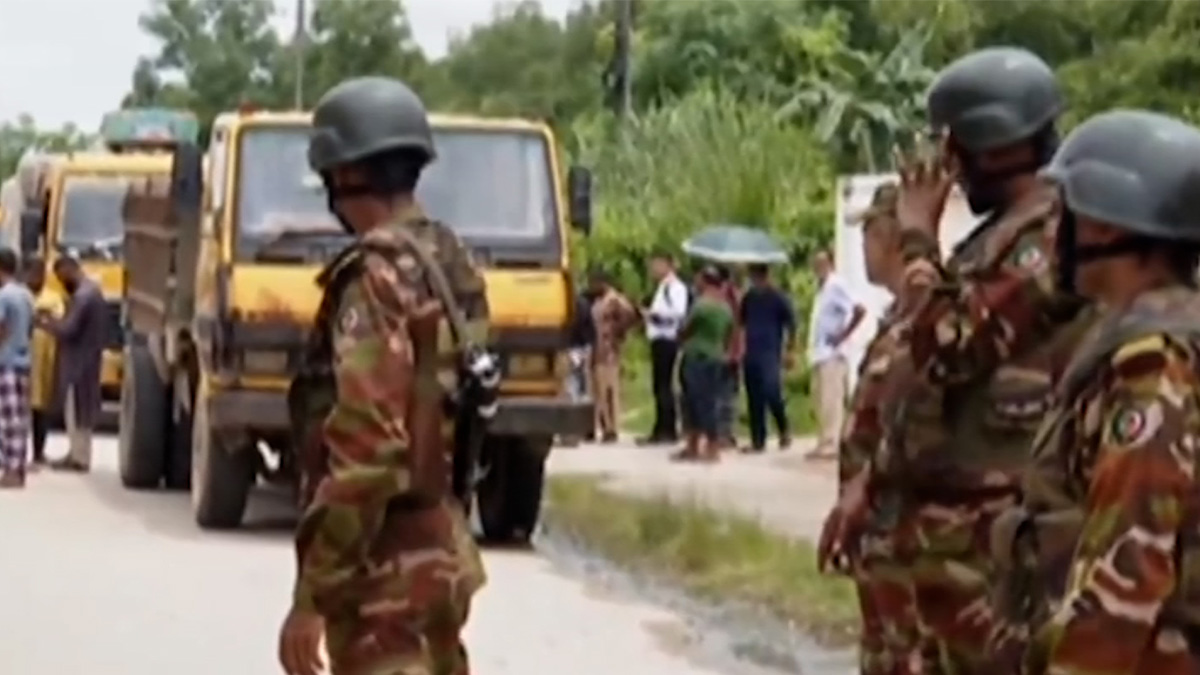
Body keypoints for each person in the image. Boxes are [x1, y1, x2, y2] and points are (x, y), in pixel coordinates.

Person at [819, 47, 1095, 675]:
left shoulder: (1049, 238)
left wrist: (919, 235)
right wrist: (874, 478)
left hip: (990, 520)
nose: (948, 167)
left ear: (995, 146)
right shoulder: (1002, 235)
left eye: (957, 147)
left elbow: (947, 346)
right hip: (945, 519)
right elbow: (919, 378)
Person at [279, 76, 487, 675]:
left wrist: (314, 595)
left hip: (384, 573)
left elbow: (369, 453)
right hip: (439, 551)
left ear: (343, 175)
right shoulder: (450, 260)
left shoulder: (375, 277)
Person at [988, 111, 1200, 675]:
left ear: (1103, 225)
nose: (1053, 232)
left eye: (1064, 212)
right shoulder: (1136, 339)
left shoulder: (1153, 365)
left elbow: (1129, 567)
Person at [829, 183, 925, 675]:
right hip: (879, 531)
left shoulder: (923, 311)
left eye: (868, 233)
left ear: (890, 236)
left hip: (906, 532)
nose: (863, 246)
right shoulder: (896, 312)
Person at [36, 255, 105, 474]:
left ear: (69, 269)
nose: (60, 280)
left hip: (79, 362)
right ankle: (76, 454)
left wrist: (46, 324)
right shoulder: (91, 292)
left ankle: (79, 458)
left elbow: (69, 330)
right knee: (79, 410)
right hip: (87, 359)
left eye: (60, 274)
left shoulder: (84, 296)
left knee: (77, 410)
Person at [806, 249, 865, 460]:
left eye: (822, 263)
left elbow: (859, 309)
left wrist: (843, 335)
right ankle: (824, 441)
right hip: (820, 353)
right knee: (820, 399)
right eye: (815, 264)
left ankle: (832, 443)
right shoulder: (822, 289)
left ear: (830, 263)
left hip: (833, 353)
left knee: (831, 399)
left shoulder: (837, 285)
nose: (817, 268)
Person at [673, 265, 733, 463]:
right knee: (708, 401)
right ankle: (709, 445)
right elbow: (729, 334)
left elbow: (686, 329)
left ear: (706, 281)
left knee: (694, 402)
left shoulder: (701, 305)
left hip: (696, 357)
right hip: (716, 357)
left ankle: (697, 445)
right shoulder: (725, 307)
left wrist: (680, 334)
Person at [739, 263, 795, 453]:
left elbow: (791, 322)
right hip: (751, 350)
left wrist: (790, 349)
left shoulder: (778, 297)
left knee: (772, 391)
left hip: (770, 350)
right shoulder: (749, 297)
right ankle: (758, 439)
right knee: (753, 395)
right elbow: (741, 322)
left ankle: (783, 428)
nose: (754, 280)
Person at [639, 252, 688, 445]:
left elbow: (678, 313)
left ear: (668, 265)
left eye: (657, 265)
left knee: (664, 385)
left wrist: (653, 315)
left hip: (667, 338)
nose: (653, 269)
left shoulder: (675, 288)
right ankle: (661, 427)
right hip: (658, 338)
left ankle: (667, 429)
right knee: (659, 385)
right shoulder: (662, 287)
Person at [588, 270, 637, 443]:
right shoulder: (599, 300)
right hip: (597, 348)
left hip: (608, 350)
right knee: (598, 390)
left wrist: (616, 333)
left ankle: (611, 427)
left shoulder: (615, 300)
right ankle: (601, 424)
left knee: (608, 390)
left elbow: (630, 316)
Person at [0, 249, 33, 488]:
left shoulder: (4, 296)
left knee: (8, 420)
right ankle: (19, 467)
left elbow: (1, 328)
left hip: (7, 362)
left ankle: (10, 470)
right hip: (24, 361)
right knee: (20, 419)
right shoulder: (26, 295)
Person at [25, 257, 59, 468]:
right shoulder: (19, 295)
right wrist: (40, 318)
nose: (36, 277)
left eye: (40, 273)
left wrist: (41, 318)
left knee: (41, 411)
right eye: (33, 273)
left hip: (45, 360)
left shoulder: (53, 297)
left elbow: (57, 321)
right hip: (23, 358)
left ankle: (38, 453)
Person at [714, 265, 744, 450]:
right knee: (729, 393)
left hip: (726, 350)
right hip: (734, 349)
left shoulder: (725, 297)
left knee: (723, 393)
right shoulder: (738, 295)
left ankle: (723, 433)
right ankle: (726, 432)